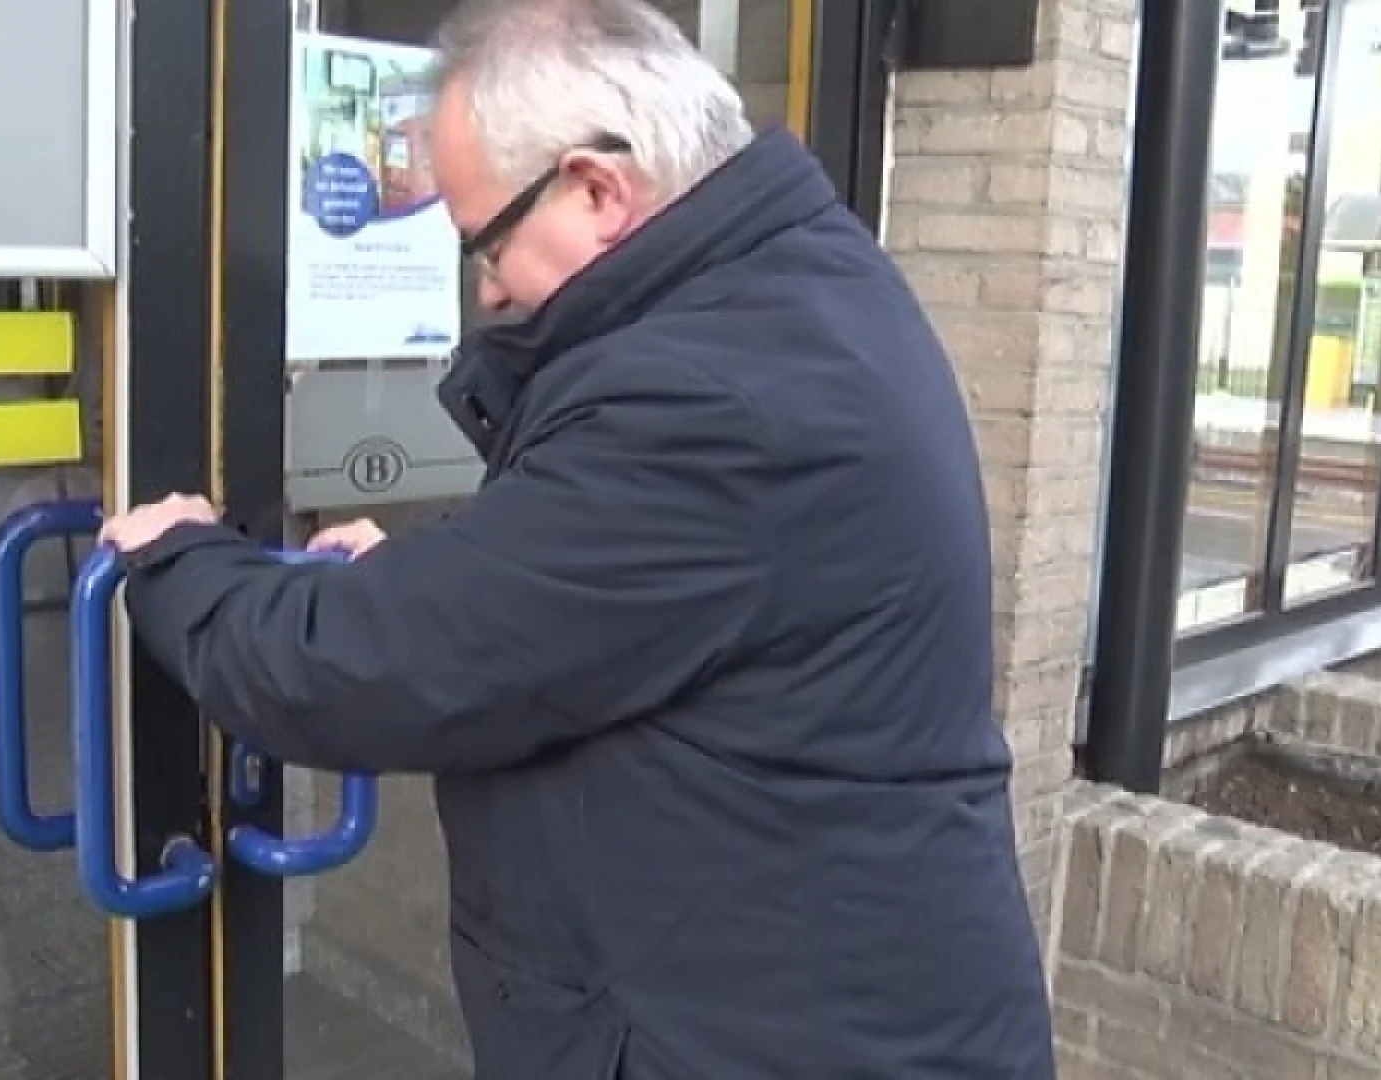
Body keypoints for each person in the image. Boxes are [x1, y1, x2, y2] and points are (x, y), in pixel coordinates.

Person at [100, 0, 1057, 1075]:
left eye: (487, 241)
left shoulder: (708, 396)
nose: (486, 285)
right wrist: (426, 570)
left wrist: (179, 561)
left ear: (598, 189)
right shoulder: (793, 293)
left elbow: (379, 666)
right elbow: (612, 591)